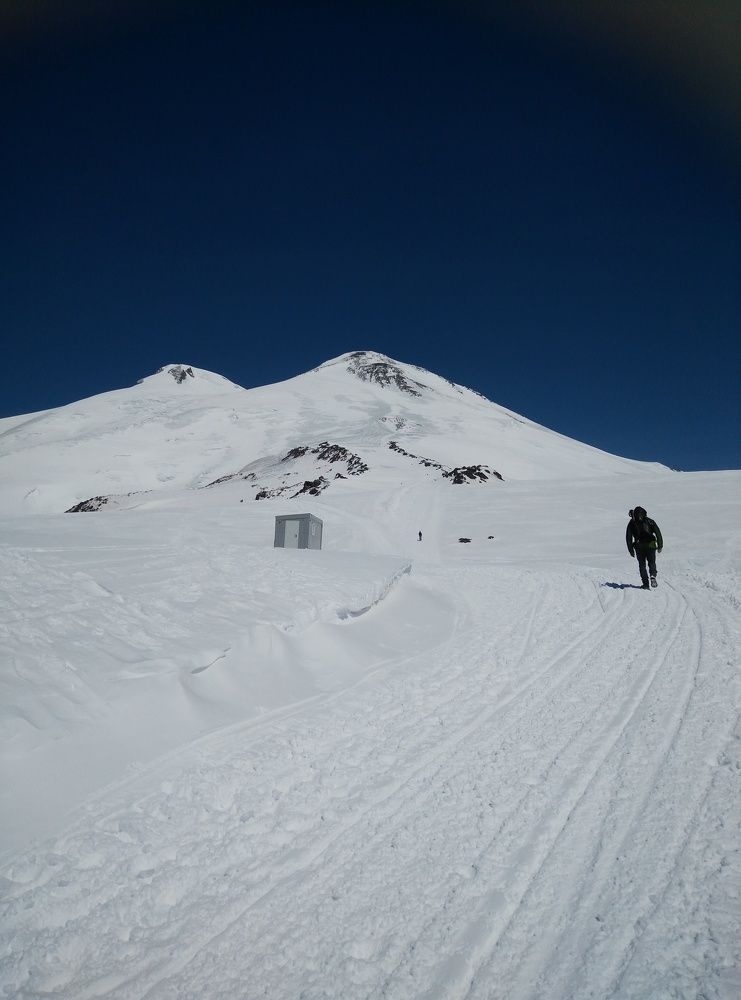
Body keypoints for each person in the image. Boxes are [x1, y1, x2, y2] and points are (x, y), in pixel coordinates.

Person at [626, 506, 663, 589]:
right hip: (651, 545)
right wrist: (660, 545)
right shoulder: (650, 521)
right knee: (652, 562)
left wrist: (630, 550)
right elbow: (658, 532)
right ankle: (653, 575)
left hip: (639, 546)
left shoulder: (632, 523)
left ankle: (645, 584)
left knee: (642, 565)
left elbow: (628, 537)